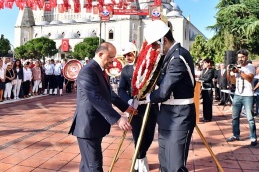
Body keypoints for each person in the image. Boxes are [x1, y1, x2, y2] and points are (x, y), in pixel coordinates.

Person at [68, 42, 135, 172]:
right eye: (110, 57)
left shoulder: (99, 70)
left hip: (95, 126)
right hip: (87, 126)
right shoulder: (87, 71)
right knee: (94, 167)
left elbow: (109, 94)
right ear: (100, 54)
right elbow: (95, 97)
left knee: (87, 165)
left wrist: (126, 107)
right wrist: (118, 118)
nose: (113, 61)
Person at [144, 20, 196, 172]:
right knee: (165, 162)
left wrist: (148, 97)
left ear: (164, 40)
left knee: (175, 165)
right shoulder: (171, 57)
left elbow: (163, 92)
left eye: (154, 44)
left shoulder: (178, 58)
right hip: (168, 114)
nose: (153, 48)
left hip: (179, 116)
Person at [118, 42, 158, 171]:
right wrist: (128, 101)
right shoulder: (126, 69)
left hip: (150, 105)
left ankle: (139, 156)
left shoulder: (148, 66)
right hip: (134, 107)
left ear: (135, 53)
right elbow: (121, 90)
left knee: (149, 135)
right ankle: (140, 161)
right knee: (137, 135)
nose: (127, 58)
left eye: (129, 54)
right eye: (125, 56)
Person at [226, 49, 257, 146]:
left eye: (242, 57)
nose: (240, 59)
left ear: (246, 57)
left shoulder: (250, 67)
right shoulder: (236, 67)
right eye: (239, 57)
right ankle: (236, 135)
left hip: (248, 95)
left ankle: (253, 137)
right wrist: (229, 71)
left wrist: (239, 71)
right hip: (238, 94)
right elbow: (231, 81)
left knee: (250, 118)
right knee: (235, 117)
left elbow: (249, 78)